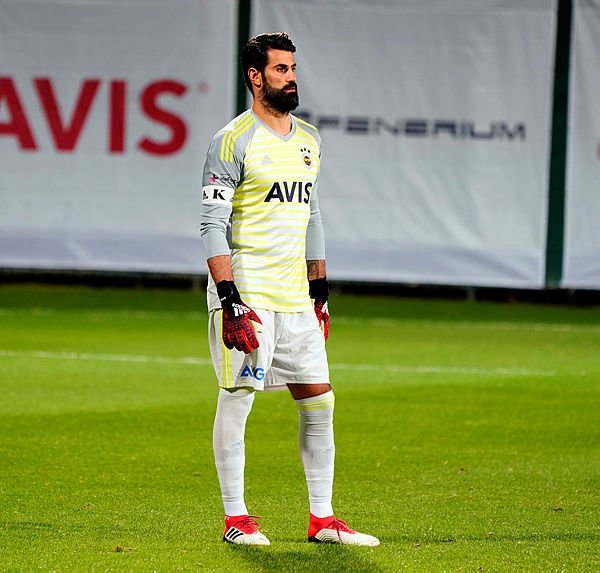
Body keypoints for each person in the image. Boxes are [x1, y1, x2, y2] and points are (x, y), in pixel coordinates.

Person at [200, 32, 379, 547]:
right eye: (281, 69)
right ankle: (236, 519)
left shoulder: (309, 138)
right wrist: (229, 300)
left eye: (293, 68)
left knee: (319, 400)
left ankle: (322, 519)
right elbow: (212, 224)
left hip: (296, 297)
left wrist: (319, 291)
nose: (292, 77)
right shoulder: (232, 140)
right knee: (238, 397)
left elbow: (312, 216)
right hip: (249, 294)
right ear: (255, 77)